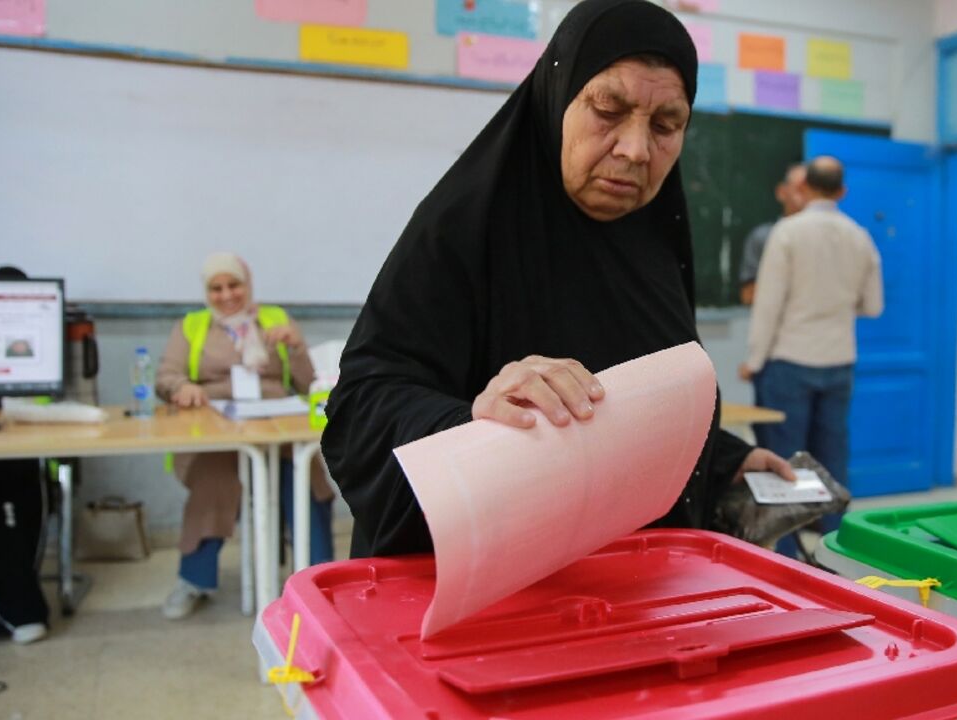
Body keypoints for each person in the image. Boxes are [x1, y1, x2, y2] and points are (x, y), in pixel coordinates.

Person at [321, 0, 793, 560]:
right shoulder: (463, 229)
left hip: (627, 591)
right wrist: (474, 418)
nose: (636, 150)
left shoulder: (655, 243)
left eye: (666, 125)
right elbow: (360, 408)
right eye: (608, 109)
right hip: (486, 592)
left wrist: (722, 460)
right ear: (556, 97)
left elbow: (633, 402)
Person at [154, 252, 334, 619]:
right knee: (213, 485)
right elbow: (165, 376)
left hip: (277, 426)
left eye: (233, 285)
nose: (226, 294)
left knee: (307, 482)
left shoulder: (275, 319)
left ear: (248, 285)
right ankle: (194, 580)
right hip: (216, 430)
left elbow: (306, 382)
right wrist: (182, 386)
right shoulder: (191, 326)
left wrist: (296, 346)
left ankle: (320, 581)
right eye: (216, 288)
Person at [739, 157, 883, 558]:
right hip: (838, 360)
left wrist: (754, 359)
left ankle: (787, 554)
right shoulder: (859, 237)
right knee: (833, 457)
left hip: (789, 360)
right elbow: (873, 306)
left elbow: (768, 304)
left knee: (785, 462)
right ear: (841, 192)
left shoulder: (787, 232)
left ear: (805, 189)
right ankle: (837, 552)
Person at [738, 163, 807, 306]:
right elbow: (748, 295)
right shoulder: (763, 237)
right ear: (782, 192)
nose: (806, 195)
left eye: (812, 189)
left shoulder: (835, 237)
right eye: (800, 188)